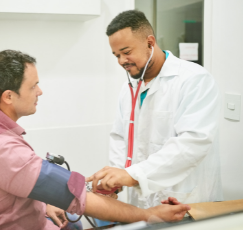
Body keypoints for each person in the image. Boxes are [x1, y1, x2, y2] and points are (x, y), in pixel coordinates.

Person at [0, 49, 190, 230]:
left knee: (74, 222)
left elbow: (10, 182)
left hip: (4, 217)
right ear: (8, 96)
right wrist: (150, 214)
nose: (40, 91)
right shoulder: (1, 149)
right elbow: (80, 199)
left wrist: (45, 202)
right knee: (88, 217)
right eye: (33, 85)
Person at [86, 10, 223, 209]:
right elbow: (120, 137)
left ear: (150, 43)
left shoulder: (194, 80)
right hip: (142, 200)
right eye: (117, 55)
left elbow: (193, 142)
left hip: (184, 196)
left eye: (126, 52)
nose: (121, 61)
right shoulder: (129, 88)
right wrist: (115, 179)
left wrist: (132, 175)